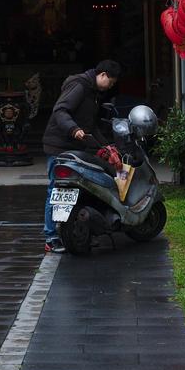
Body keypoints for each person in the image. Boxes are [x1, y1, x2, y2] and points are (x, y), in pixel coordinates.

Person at [41, 59, 121, 253]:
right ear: (102, 75)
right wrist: (73, 129)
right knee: (56, 191)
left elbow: (90, 125)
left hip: (76, 147)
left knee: (81, 191)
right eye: (110, 82)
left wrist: (107, 146)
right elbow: (60, 111)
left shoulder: (93, 93)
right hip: (58, 146)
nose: (110, 86)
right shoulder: (79, 86)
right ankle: (51, 237)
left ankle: (80, 233)